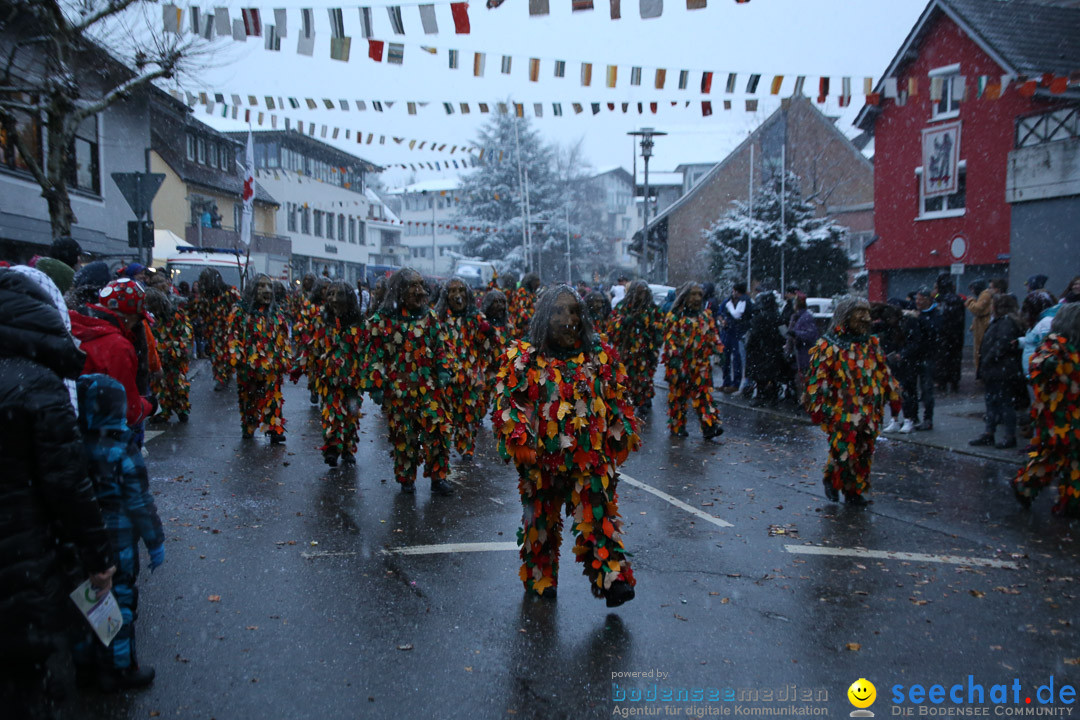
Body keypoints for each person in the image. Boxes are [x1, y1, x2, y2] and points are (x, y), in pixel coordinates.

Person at [0, 269, 115, 718]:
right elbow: (68, 483)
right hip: (26, 563)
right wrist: (98, 557)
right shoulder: (38, 385)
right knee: (36, 684)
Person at [492, 285, 640, 606]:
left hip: (589, 460)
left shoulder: (600, 357)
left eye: (573, 311)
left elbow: (617, 400)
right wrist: (519, 436)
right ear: (544, 316)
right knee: (540, 522)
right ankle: (541, 578)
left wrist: (622, 430)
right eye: (558, 311)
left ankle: (612, 578)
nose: (566, 318)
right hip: (541, 462)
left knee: (597, 516)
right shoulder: (523, 358)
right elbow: (509, 402)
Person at [73, 374, 165, 692]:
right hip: (120, 542)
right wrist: (154, 540)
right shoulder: (122, 447)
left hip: (83, 540)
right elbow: (140, 501)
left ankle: (85, 666)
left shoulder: (75, 445)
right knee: (121, 602)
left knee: (88, 600)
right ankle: (120, 667)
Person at [361, 268, 453, 495]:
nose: (420, 291)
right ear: (400, 290)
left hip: (430, 388)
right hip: (399, 391)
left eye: (421, 286)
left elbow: (440, 348)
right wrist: (376, 384)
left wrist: (442, 370)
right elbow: (374, 357)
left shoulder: (429, 318)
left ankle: (438, 476)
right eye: (414, 286)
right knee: (405, 436)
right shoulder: (381, 321)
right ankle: (406, 478)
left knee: (438, 432)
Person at [806, 297, 901, 505]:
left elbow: (883, 372)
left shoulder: (871, 344)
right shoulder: (828, 346)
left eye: (868, 312)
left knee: (864, 452)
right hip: (841, 410)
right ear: (846, 315)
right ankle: (833, 478)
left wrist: (894, 396)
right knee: (844, 450)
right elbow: (818, 379)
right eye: (860, 312)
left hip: (869, 410)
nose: (866, 318)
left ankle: (854, 492)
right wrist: (818, 406)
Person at [1012, 303, 1080, 516]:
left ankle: (1070, 502)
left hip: (1072, 415)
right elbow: (1039, 366)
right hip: (1057, 416)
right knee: (1052, 456)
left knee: (1071, 460)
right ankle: (1025, 485)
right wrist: (1054, 369)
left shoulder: (1072, 348)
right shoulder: (1054, 346)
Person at [69, 279, 154, 428]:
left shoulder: (70, 324)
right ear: (128, 316)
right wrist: (149, 405)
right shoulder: (118, 347)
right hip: (97, 431)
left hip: (65, 421)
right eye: (137, 319)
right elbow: (128, 410)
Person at [435, 278, 497, 462]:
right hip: (446, 378)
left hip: (470, 378)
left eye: (461, 290)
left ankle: (467, 449)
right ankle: (442, 452)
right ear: (446, 296)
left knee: (468, 416)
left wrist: (489, 332)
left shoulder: (476, 318)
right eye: (453, 291)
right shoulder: (438, 320)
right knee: (444, 418)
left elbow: (489, 347)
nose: (457, 295)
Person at [226, 274, 291, 443]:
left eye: (269, 286)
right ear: (253, 289)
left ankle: (274, 429)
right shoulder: (240, 312)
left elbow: (283, 338)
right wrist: (238, 357)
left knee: (272, 397)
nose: (267, 290)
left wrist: (284, 357)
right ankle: (249, 424)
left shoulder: (276, 313)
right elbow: (234, 336)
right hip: (248, 364)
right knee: (248, 397)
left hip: (271, 366)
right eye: (262, 286)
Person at [311, 281, 365, 466]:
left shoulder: (359, 324)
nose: (334, 299)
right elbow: (316, 349)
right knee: (331, 411)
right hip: (329, 380)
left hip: (352, 379)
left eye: (339, 295)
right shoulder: (322, 322)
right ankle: (332, 448)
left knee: (351, 413)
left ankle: (348, 448)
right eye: (331, 294)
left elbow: (364, 350)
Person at [662, 282, 725, 439]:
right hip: (679, 365)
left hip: (700, 364)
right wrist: (674, 359)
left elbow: (712, 335)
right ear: (685, 296)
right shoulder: (674, 318)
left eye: (700, 295)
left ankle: (710, 426)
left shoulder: (705, 317)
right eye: (693, 294)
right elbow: (670, 340)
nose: (697, 298)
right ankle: (677, 426)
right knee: (678, 397)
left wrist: (719, 349)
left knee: (703, 395)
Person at [969, 294, 1023, 449]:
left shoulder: (1005, 322)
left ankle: (1008, 436)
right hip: (997, 370)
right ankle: (990, 433)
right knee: (993, 402)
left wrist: (988, 360)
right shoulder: (1002, 321)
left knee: (1003, 404)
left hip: (1000, 371)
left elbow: (1002, 344)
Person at [607, 280, 664, 417]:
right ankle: (629, 400)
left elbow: (659, 327)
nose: (641, 296)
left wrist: (653, 333)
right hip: (627, 350)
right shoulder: (623, 307)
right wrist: (626, 321)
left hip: (646, 350)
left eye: (644, 293)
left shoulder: (653, 309)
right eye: (638, 293)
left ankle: (644, 399)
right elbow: (612, 327)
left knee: (645, 376)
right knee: (628, 376)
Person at [144, 288, 193, 424]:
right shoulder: (153, 319)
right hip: (159, 357)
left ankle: (182, 409)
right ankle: (162, 412)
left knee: (177, 385)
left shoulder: (177, 316)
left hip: (175, 356)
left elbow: (185, 336)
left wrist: (170, 349)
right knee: (159, 385)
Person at [190, 268, 240, 392]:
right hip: (213, 331)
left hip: (228, 330)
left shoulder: (230, 292)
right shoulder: (205, 297)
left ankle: (224, 376)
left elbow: (238, 309)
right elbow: (198, 310)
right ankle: (221, 377)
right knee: (217, 355)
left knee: (227, 354)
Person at [744, 292, 789, 407]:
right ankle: (773, 396)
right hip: (774, 350)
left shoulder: (758, 318)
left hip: (760, 351)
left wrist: (750, 347)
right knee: (773, 375)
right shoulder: (777, 317)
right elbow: (784, 334)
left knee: (760, 376)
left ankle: (760, 396)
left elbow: (752, 335)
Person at [933, 274, 966, 394]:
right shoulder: (957, 299)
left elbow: (939, 317)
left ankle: (942, 382)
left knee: (942, 359)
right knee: (955, 358)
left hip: (943, 336)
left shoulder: (940, 299)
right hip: (956, 335)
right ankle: (954, 381)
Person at [967, 278, 1005, 378]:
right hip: (982, 324)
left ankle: (982, 373)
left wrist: (970, 302)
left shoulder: (984, 295)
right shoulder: (985, 295)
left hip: (983, 325)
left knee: (980, 350)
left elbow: (977, 309)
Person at [786, 293, 820, 404]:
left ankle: (805, 402)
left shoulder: (806, 317)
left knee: (803, 379)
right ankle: (803, 401)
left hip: (805, 354)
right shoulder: (797, 316)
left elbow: (810, 334)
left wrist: (795, 333)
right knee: (801, 379)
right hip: (800, 353)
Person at [718, 282, 751, 393]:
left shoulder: (744, 301)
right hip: (727, 332)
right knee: (725, 358)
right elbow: (720, 312)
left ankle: (735, 383)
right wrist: (722, 321)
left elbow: (738, 316)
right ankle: (726, 381)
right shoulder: (728, 301)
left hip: (737, 333)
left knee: (737, 359)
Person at [509, 272, 541, 339]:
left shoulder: (532, 294)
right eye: (536, 284)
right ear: (530, 282)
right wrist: (530, 319)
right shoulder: (522, 292)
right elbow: (521, 309)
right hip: (522, 327)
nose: (537, 287)